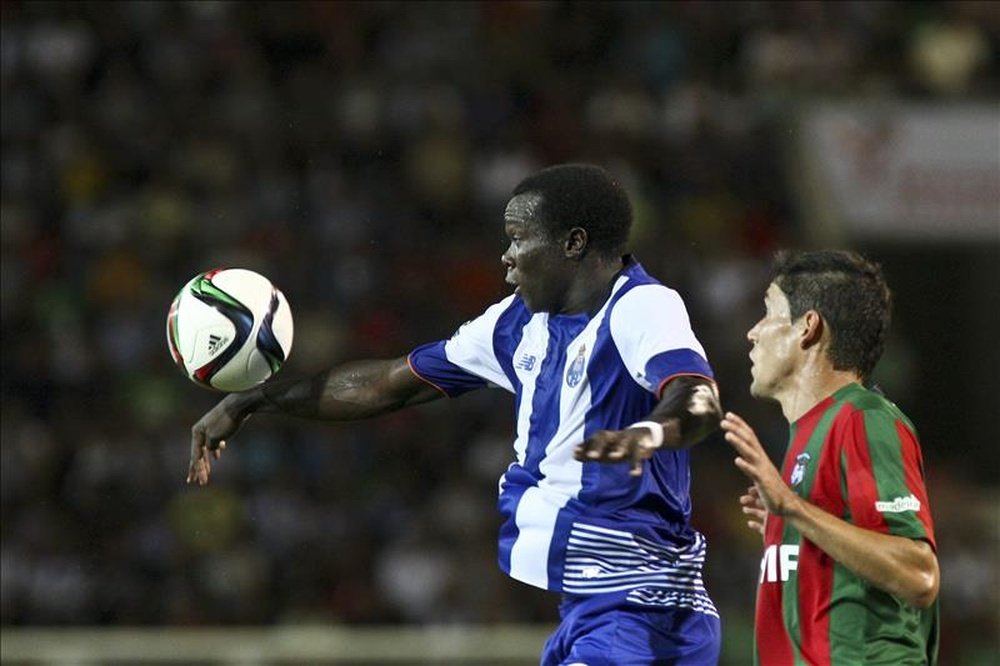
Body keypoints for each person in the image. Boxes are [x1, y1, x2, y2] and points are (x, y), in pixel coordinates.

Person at [188, 164, 723, 665]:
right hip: (592, 609)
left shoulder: (639, 306)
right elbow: (386, 385)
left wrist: (651, 431)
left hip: (645, 608)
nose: (506, 257)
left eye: (517, 238)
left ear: (573, 243)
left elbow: (697, 395)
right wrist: (254, 399)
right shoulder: (515, 325)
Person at [719, 250, 940, 665]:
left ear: (808, 327)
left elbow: (918, 575)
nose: (753, 332)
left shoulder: (862, 419)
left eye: (768, 313)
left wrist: (792, 509)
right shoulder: (810, 435)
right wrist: (796, 532)